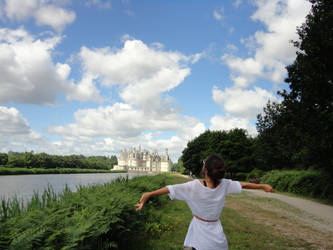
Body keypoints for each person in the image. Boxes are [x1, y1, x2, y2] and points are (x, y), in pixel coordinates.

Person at [135, 154, 274, 250]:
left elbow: (169, 189)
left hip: (200, 230)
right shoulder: (225, 184)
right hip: (216, 232)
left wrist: (149, 194)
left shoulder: (194, 186)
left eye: (203, 163)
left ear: (205, 171)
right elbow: (244, 185)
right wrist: (263, 186)